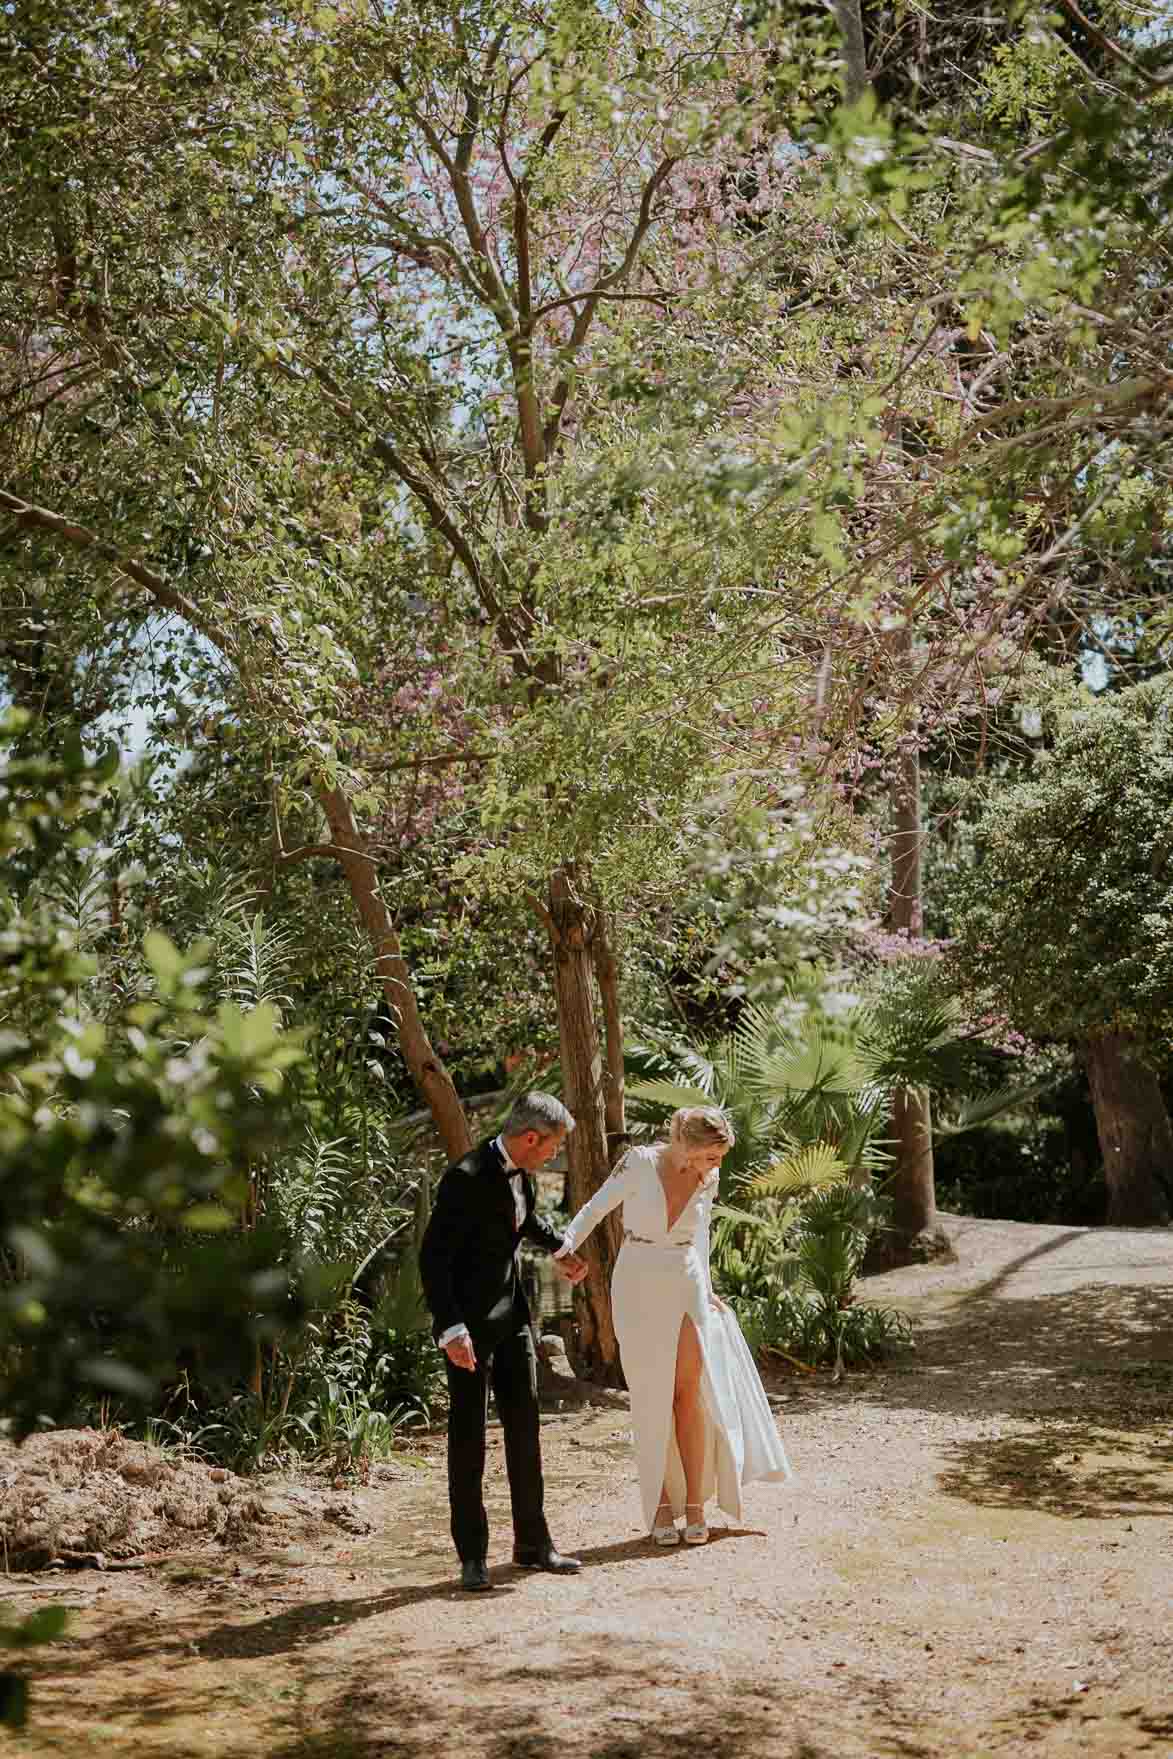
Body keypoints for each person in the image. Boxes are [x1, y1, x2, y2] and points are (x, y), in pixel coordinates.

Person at [554, 1106, 791, 1545]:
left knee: (688, 1391)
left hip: (686, 1279)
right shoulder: (639, 1162)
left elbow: (700, 1234)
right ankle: (662, 1504)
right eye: (712, 1156)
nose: (718, 1165)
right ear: (688, 1145)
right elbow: (595, 1207)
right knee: (651, 1397)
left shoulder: (709, 1178)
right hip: (638, 1279)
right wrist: (564, 1245)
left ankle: (697, 1505)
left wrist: (708, 1283)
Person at [419, 1091, 589, 1591]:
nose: (552, 1157)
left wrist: (559, 1247)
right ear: (530, 1138)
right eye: (551, 1148)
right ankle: (472, 1556)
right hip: (467, 1329)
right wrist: (450, 1329)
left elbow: (517, 1221)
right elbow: (433, 1259)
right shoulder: (465, 1178)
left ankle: (533, 1545)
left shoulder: (522, 1176)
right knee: (468, 1438)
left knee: (525, 1428)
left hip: (512, 1315)